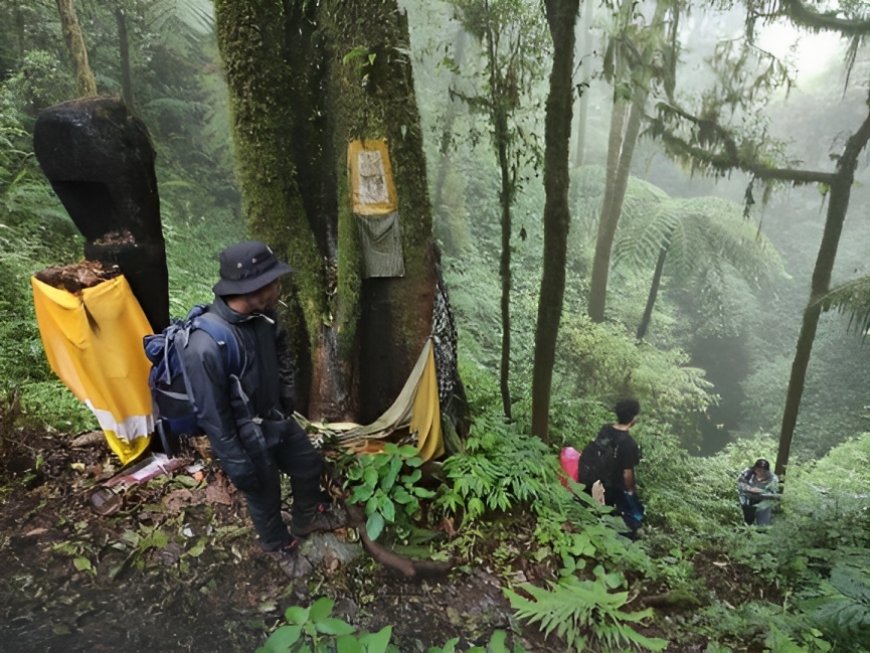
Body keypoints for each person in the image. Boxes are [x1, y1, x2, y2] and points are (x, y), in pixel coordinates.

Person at [180, 240, 344, 577]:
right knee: (263, 494)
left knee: (308, 465)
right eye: (274, 280)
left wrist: (286, 395)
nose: (279, 285)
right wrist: (236, 462)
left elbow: (281, 350)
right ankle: (277, 546)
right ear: (253, 287)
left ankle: (306, 517)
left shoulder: (264, 316)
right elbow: (213, 415)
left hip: (275, 418)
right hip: (244, 436)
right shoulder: (205, 345)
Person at [593, 398, 644, 538]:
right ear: (633, 418)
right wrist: (631, 491)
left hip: (596, 480)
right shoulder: (629, 444)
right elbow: (627, 474)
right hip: (614, 488)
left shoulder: (605, 429)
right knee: (631, 517)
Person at [737, 458, 779, 526]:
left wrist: (762, 491)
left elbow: (773, 491)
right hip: (747, 496)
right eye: (759, 470)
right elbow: (740, 483)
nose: (761, 473)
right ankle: (745, 524)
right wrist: (749, 488)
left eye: (764, 471)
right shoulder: (748, 473)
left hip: (764, 499)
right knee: (744, 507)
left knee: (764, 510)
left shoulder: (773, 478)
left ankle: (762, 527)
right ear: (755, 469)